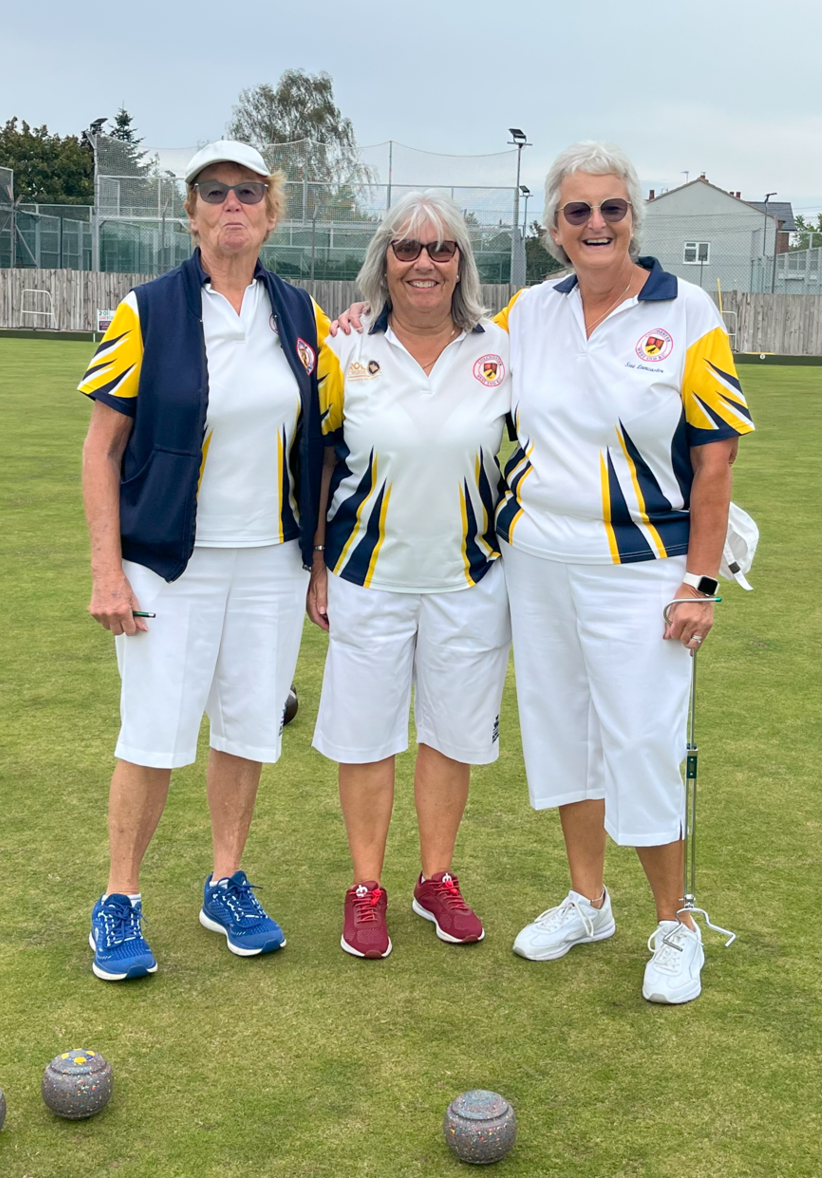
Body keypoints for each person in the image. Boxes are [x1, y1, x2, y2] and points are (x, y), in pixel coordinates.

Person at [494, 142, 754, 1005]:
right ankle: (587, 899)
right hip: (537, 562)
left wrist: (701, 583)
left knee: (641, 742)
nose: (596, 224)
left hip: (644, 568)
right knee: (563, 733)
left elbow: (714, 465)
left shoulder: (686, 311)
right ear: (553, 230)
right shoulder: (528, 310)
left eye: (612, 209)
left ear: (634, 218)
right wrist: (358, 329)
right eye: (578, 212)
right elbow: (448, 355)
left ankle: (676, 924)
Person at [76, 140, 334, 981]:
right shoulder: (145, 310)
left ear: (270, 211)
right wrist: (107, 570)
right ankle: (119, 899)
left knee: (249, 727)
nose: (232, 205)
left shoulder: (302, 314)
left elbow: (329, 438)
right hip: (165, 561)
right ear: (191, 213)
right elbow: (100, 449)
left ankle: (225, 881)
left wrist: (320, 557)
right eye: (214, 192)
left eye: (249, 192)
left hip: (271, 561)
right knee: (152, 733)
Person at [309, 192, 512, 960]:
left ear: (461, 262)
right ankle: (367, 888)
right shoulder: (347, 351)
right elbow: (321, 460)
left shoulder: (503, 348)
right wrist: (320, 565)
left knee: (452, 734)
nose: (424, 263)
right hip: (369, 575)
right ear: (383, 262)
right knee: (366, 738)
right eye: (407, 249)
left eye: (441, 249)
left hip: (471, 576)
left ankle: (436, 878)